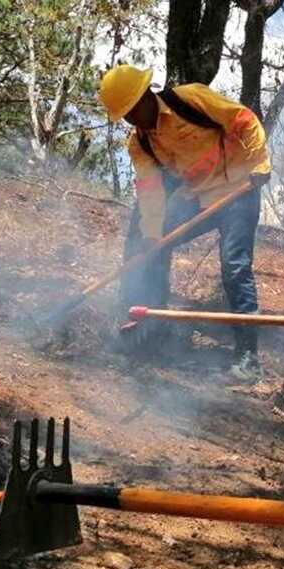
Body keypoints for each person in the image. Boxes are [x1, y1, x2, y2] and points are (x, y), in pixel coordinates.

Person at [98, 64, 271, 380]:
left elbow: (244, 119)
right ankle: (150, 328)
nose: (133, 119)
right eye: (126, 116)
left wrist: (260, 162)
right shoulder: (140, 144)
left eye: (134, 109)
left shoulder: (191, 99)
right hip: (200, 197)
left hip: (239, 191)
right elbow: (150, 192)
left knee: (235, 267)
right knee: (149, 248)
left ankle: (248, 356)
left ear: (146, 95)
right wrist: (152, 235)